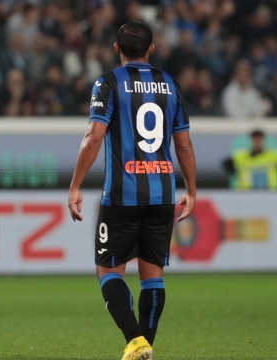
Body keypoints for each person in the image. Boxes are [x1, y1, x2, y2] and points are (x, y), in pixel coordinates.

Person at [67, 22, 196, 360]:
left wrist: (75, 185)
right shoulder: (170, 85)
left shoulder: (108, 83)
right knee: (152, 275)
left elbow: (94, 137)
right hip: (162, 192)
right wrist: (192, 189)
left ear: (116, 48)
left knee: (108, 270)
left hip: (122, 194)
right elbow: (183, 145)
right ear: (151, 49)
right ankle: (144, 347)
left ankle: (135, 340)